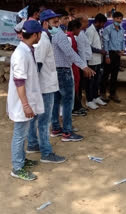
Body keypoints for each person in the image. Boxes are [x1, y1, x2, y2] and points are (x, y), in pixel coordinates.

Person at [26, 10, 66, 164]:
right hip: (45, 86)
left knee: (37, 117)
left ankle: (32, 144)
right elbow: (39, 64)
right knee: (45, 120)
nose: (58, 25)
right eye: (55, 22)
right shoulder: (43, 39)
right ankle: (46, 153)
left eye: (58, 22)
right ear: (45, 23)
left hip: (43, 85)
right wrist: (34, 87)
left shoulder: (45, 37)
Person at [7, 20, 44, 181]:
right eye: (40, 33)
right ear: (35, 35)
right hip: (21, 102)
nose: (41, 36)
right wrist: (26, 105)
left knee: (22, 133)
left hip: (26, 100)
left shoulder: (27, 50)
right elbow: (19, 82)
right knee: (20, 135)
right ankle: (17, 167)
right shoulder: (21, 54)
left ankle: (21, 160)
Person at [50, 13, 95, 142]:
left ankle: (56, 128)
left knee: (56, 101)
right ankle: (67, 132)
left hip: (56, 71)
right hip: (63, 71)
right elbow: (70, 53)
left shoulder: (52, 35)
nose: (63, 22)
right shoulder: (59, 35)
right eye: (56, 21)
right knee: (67, 102)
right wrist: (83, 66)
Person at [85, 13, 108, 110]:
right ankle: (89, 100)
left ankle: (95, 97)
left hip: (98, 60)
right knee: (90, 82)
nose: (103, 26)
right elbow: (88, 46)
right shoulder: (90, 31)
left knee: (96, 81)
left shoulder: (97, 30)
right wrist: (100, 51)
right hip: (92, 60)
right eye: (103, 24)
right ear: (98, 22)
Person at [102, 11, 125, 103]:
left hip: (117, 54)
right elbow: (105, 43)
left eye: (120, 19)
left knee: (115, 75)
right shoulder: (108, 29)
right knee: (106, 74)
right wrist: (107, 56)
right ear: (113, 18)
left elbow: (123, 40)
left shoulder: (121, 29)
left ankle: (112, 93)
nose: (119, 20)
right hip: (109, 54)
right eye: (117, 18)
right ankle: (103, 93)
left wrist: (122, 49)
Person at [67, 19, 87, 116]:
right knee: (73, 87)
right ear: (75, 28)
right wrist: (84, 67)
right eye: (79, 29)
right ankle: (74, 108)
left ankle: (77, 106)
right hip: (71, 65)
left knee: (76, 86)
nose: (80, 31)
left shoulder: (73, 37)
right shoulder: (69, 38)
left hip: (75, 65)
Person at [74, 14, 92, 114]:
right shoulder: (79, 34)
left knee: (81, 85)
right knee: (80, 86)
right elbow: (81, 52)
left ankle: (79, 104)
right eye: (86, 21)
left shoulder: (82, 33)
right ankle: (78, 106)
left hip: (84, 63)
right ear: (80, 22)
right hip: (82, 64)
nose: (88, 23)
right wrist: (84, 67)